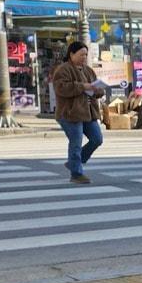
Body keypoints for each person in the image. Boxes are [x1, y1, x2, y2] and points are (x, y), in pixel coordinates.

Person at [51, 42, 105, 184]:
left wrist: (97, 89)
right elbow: (61, 88)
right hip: (70, 113)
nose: (84, 57)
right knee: (76, 142)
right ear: (71, 54)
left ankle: (74, 162)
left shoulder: (88, 70)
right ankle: (76, 173)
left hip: (88, 112)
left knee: (97, 139)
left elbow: (98, 89)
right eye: (81, 54)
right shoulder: (63, 70)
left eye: (86, 54)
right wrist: (82, 87)